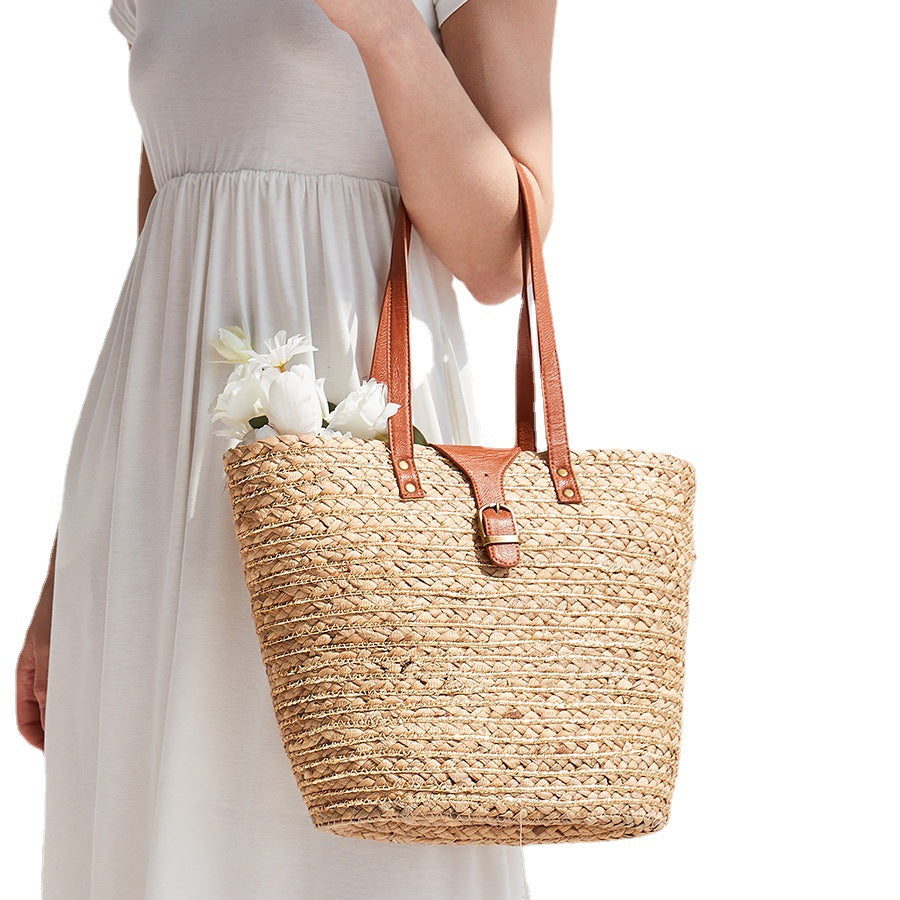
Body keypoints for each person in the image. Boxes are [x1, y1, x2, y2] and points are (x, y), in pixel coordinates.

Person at [16, 1, 556, 896]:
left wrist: (385, 28)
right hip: (159, 472)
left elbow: (502, 258)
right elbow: (171, 229)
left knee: (367, 826)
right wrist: (62, 573)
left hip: (361, 458)